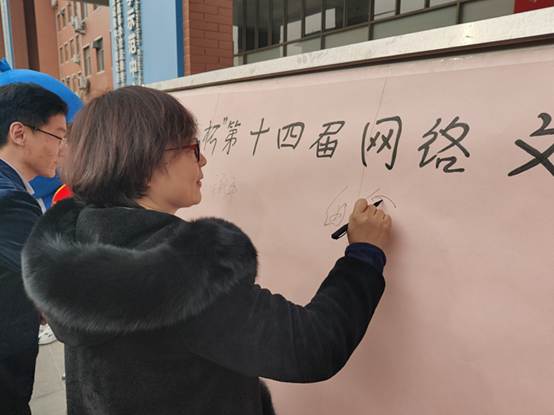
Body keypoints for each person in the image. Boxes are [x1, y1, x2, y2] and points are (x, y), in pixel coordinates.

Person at [21, 86, 392, 415]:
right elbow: (311, 346)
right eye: (192, 148)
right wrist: (363, 256)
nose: (203, 161)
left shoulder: (76, 244)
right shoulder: (181, 273)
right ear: (148, 161)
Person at [0, 83, 68, 414]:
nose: (62, 148)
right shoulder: (9, 200)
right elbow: (57, 280)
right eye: (58, 136)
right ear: (19, 133)